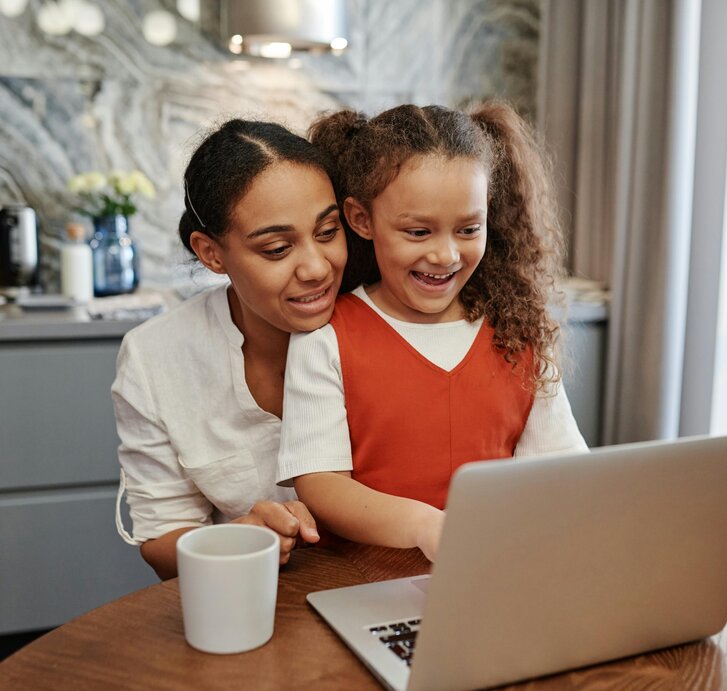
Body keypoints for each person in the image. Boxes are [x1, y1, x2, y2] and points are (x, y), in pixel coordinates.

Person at [277, 102, 588, 561]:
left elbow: (563, 471)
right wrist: (426, 526)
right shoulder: (325, 340)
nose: (446, 255)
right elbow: (321, 485)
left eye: (468, 229)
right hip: (362, 580)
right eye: (419, 232)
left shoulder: (517, 334)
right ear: (361, 220)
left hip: (492, 569)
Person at [112, 118, 348, 580]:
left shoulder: (389, 323)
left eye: (327, 232)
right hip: (254, 601)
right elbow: (162, 539)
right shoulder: (156, 356)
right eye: (278, 249)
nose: (317, 268)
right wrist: (237, 541)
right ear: (211, 253)